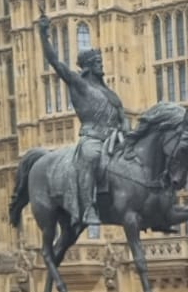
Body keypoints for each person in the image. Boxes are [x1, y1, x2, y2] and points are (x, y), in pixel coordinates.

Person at [37, 12, 127, 227]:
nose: (101, 65)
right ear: (88, 66)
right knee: (91, 157)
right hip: (92, 138)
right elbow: (55, 62)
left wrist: (126, 129)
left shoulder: (110, 93)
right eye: (97, 62)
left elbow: (123, 117)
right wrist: (43, 34)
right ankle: (88, 208)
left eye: (101, 62)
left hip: (115, 139)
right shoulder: (80, 84)